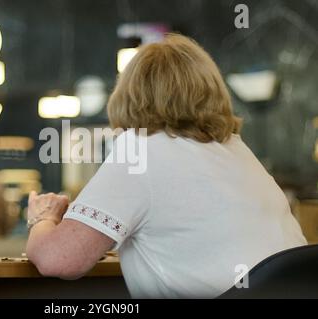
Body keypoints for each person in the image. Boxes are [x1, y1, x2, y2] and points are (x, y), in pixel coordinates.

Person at [25, 33, 307, 298]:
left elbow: (58, 260)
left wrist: (43, 217)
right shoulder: (236, 151)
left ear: (130, 94)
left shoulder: (141, 150)